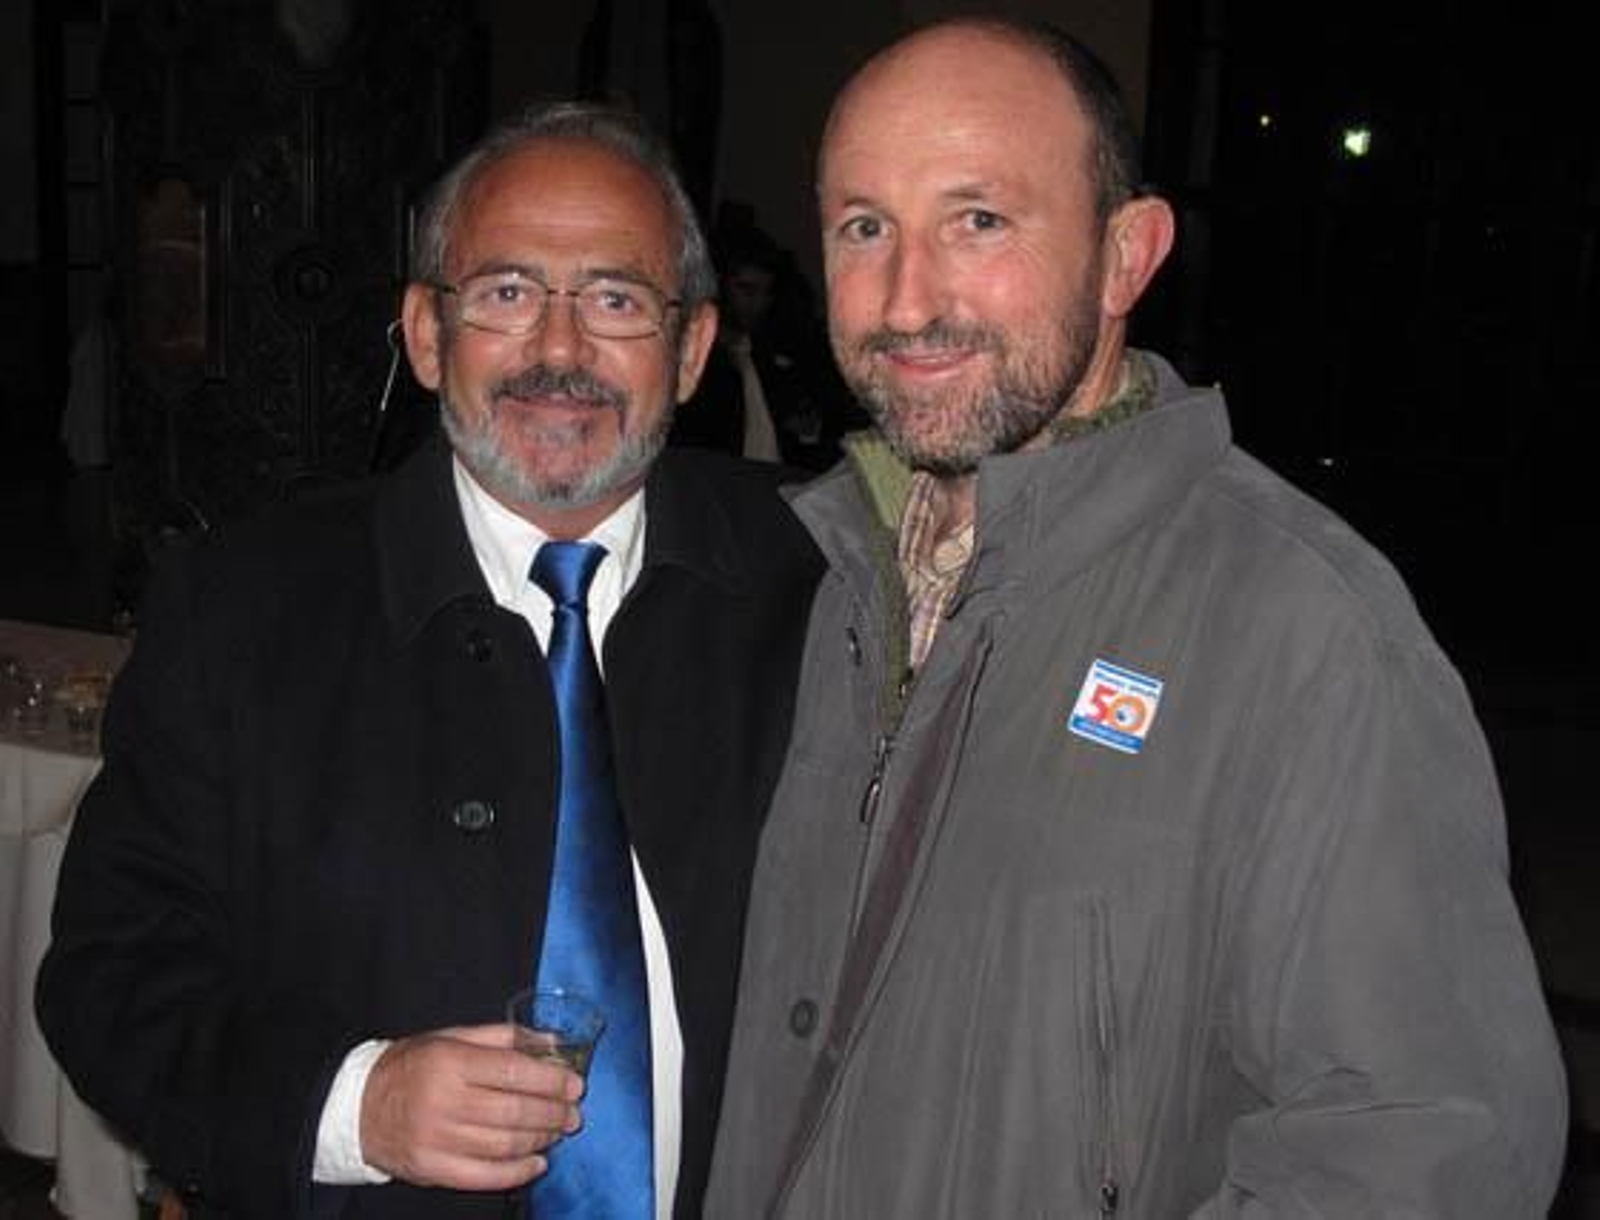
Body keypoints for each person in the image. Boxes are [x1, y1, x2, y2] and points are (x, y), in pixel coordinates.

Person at [705, 18, 1567, 1218]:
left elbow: (1422, 1148)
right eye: (864, 226)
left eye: (978, 220)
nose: (907, 299)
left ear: (1126, 255)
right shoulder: (810, 576)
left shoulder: (1304, 629)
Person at [37, 102, 820, 1220]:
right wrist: (357, 1104)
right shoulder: (244, 609)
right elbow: (109, 977)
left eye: (614, 299)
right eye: (505, 292)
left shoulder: (814, 573)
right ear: (422, 332)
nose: (559, 350)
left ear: (692, 349)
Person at [670, 211, 861, 472]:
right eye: (746, 289)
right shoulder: (695, 361)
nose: (758, 303)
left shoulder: (775, 353)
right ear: (719, 285)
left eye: (765, 292)